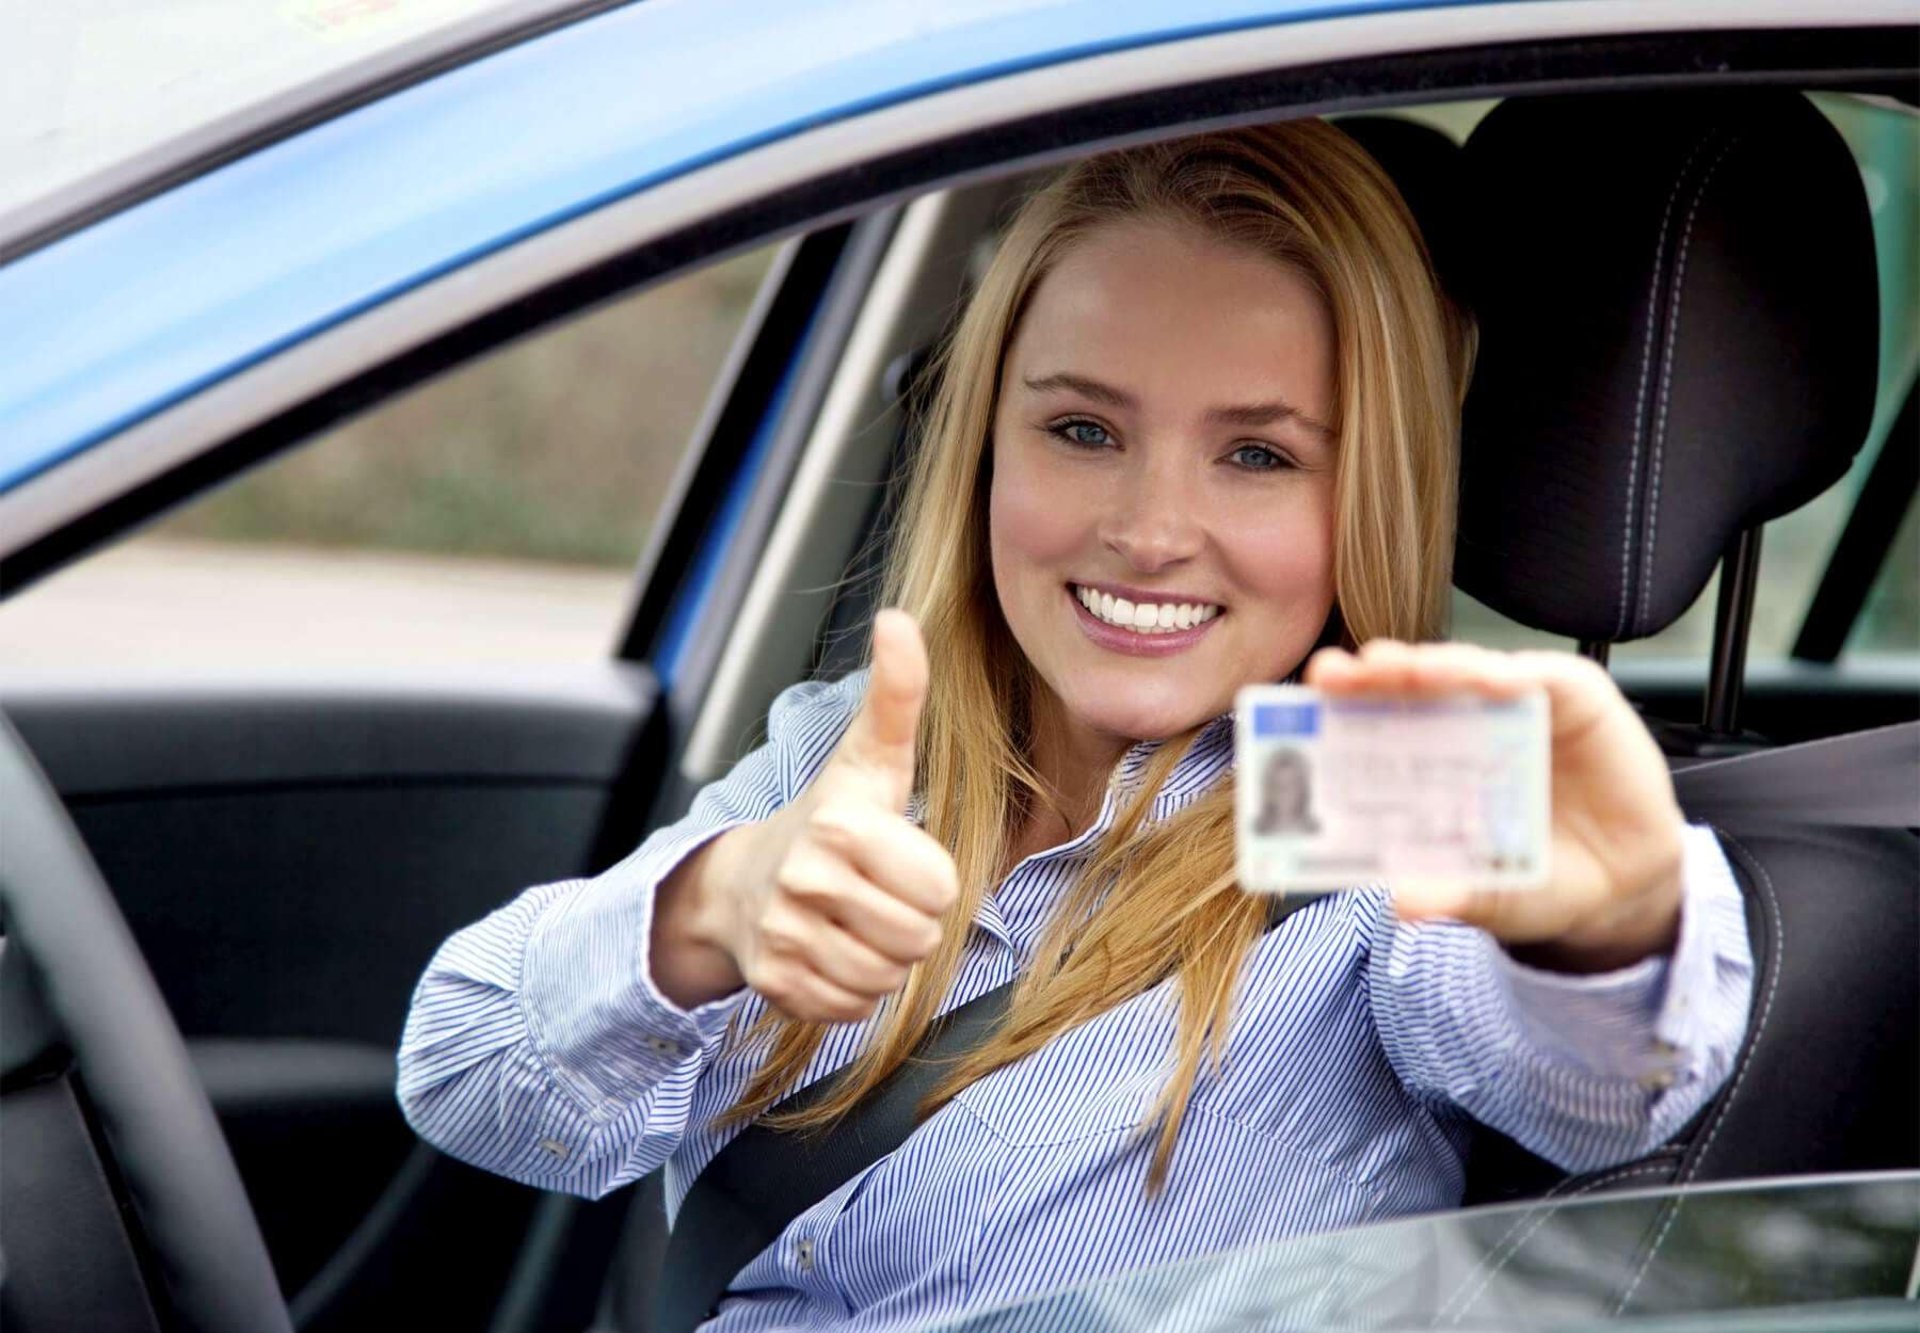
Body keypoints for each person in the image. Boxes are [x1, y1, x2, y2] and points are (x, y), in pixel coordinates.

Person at [398, 121, 1752, 1330]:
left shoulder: (1371, 785)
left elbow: (1598, 1077)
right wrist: (710, 912)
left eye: (1260, 454)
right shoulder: (857, 757)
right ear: (988, 442)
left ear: (1370, 498)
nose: (1150, 531)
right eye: (1084, 429)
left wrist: (1615, 927)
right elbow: (462, 1071)